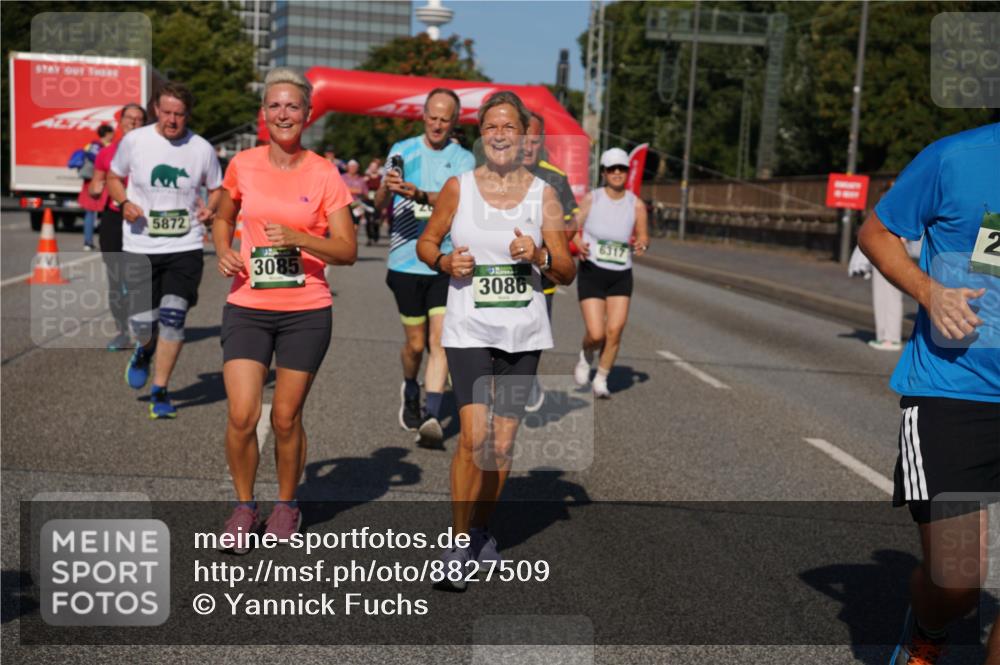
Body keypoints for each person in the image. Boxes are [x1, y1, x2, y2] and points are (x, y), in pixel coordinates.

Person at [416, 90, 575, 590]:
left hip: (523, 333)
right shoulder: (458, 188)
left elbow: (567, 270)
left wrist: (540, 257)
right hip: (468, 329)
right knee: (475, 439)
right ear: (481, 135)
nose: (501, 135)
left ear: (525, 136)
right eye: (491, 127)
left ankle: (481, 532)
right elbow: (427, 241)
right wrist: (444, 262)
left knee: (502, 448)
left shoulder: (543, 195)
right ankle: (457, 544)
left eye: (510, 127)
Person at [857, 122, 999, 665]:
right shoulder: (956, 159)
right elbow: (876, 233)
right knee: (958, 584)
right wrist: (929, 291)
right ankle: (928, 630)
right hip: (953, 394)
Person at [213, 68, 355, 549]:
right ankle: (244, 505)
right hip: (247, 304)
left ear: (308, 115)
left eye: (293, 105)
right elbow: (224, 214)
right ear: (264, 114)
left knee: (286, 418)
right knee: (241, 414)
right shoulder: (244, 165)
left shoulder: (324, 173)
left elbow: (347, 249)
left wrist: (298, 237)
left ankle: (288, 505)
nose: (283, 113)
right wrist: (222, 248)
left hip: (305, 310)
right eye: (275, 105)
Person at [107, 82, 223, 419]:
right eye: (167, 112)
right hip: (140, 244)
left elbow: (216, 188)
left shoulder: (201, 148)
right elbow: (114, 177)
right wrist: (124, 202)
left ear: (188, 115)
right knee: (144, 325)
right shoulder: (135, 141)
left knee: (173, 318)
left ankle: (160, 389)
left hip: (183, 245)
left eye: (179, 114)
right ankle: (144, 352)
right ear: (157, 108)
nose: (172, 120)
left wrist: (210, 209)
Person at [373, 88, 476, 448]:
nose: (437, 123)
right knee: (415, 345)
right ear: (423, 116)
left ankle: (432, 416)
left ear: (454, 122)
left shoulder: (463, 160)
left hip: (444, 261)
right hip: (405, 261)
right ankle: (411, 386)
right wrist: (387, 189)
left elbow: (459, 201)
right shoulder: (402, 150)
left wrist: (420, 195)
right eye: (432, 116)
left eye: (444, 118)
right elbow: (379, 200)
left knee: (440, 340)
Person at [571, 147, 649, 398]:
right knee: (596, 333)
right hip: (592, 270)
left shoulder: (636, 204)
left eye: (622, 169)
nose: (617, 173)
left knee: (615, 329)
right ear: (604, 172)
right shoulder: (593, 198)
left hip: (621, 274)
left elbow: (644, 236)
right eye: (612, 169)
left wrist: (642, 243)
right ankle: (586, 355)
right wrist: (577, 241)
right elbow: (572, 226)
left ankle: (601, 379)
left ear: (627, 172)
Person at [521, 110, 580, 411]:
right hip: (507, 274)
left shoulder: (555, 178)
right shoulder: (498, 173)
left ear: (542, 141)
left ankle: (527, 377)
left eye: (535, 141)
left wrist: (554, 242)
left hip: (543, 273)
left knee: (534, 334)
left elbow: (572, 219)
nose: (528, 147)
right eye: (524, 140)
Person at [89, 103, 148, 350]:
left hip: (142, 220)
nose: (133, 123)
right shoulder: (107, 152)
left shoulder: (151, 151)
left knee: (139, 278)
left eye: (138, 119)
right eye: (129, 118)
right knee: (116, 279)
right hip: (114, 219)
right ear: (120, 121)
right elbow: (94, 186)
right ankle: (122, 332)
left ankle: (144, 329)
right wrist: (96, 188)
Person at [78, 123, 115, 250]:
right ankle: (99, 241)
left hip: (89, 182)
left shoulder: (91, 145)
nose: (113, 136)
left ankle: (88, 242)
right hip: (100, 183)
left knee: (90, 213)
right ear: (108, 134)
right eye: (112, 133)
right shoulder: (105, 148)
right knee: (104, 212)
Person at [341, 159, 370, 238]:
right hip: (344, 204)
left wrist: (362, 194)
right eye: (351, 167)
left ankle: (353, 240)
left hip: (357, 204)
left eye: (355, 167)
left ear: (358, 168)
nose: (353, 168)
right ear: (348, 167)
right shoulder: (342, 178)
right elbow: (339, 189)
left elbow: (365, 193)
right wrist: (354, 190)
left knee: (355, 224)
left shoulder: (361, 179)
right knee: (345, 224)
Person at [364, 158, 384, 245]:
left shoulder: (381, 178)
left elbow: (383, 190)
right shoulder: (366, 178)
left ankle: (376, 235)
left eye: (375, 167)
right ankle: (369, 238)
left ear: (377, 168)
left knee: (376, 220)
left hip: (377, 201)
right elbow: (362, 189)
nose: (373, 168)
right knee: (368, 220)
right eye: (371, 167)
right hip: (367, 200)